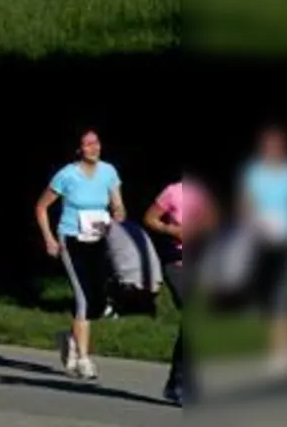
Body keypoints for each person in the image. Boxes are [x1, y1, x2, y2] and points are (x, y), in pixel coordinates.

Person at [35, 129, 126, 381]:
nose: (93, 148)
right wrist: (49, 238)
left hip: (99, 239)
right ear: (79, 149)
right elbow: (41, 207)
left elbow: (118, 204)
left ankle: (70, 339)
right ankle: (84, 360)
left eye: (96, 143)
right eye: (87, 144)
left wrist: (119, 213)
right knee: (83, 298)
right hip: (72, 239)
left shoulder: (108, 171)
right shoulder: (67, 175)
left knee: (99, 300)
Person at [237, 126, 287, 374]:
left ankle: (282, 353)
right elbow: (246, 203)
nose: (271, 150)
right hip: (262, 240)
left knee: (281, 294)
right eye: (267, 145)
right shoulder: (254, 172)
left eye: (275, 145)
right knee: (267, 296)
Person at [145, 177, 208, 404]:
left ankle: (177, 382)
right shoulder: (173, 191)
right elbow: (150, 218)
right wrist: (171, 229)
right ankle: (182, 383)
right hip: (177, 263)